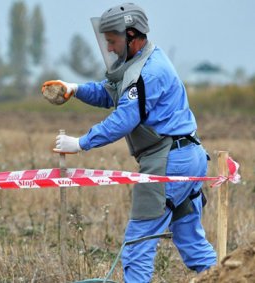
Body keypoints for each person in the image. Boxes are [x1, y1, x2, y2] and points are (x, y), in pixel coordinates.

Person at [41, 3, 216, 282]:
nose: (109, 48)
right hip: (188, 156)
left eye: (112, 41)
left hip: (167, 162)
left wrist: (81, 143)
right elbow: (108, 92)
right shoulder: (138, 63)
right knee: (191, 242)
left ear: (132, 35)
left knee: (138, 244)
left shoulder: (149, 73)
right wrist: (74, 89)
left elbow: (124, 119)